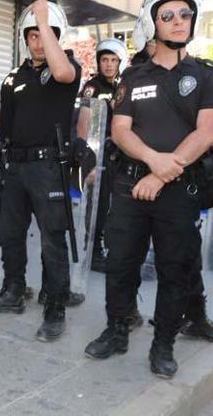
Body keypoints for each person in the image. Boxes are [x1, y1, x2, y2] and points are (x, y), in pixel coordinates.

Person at [84, 0, 213, 379]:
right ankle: (117, 329)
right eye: (168, 15)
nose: (179, 20)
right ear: (152, 24)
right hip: (128, 186)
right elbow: (120, 131)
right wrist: (152, 162)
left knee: (175, 267)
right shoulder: (133, 76)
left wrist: (161, 173)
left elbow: (208, 131)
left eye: (185, 13)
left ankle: (163, 345)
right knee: (121, 263)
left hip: (177, 189)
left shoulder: (207, 75)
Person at [0, 0, 82, 343]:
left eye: (45, 34)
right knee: (10, 232)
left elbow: (63, 72)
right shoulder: (12, 77)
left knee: (53, 238)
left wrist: (42, 15)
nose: (38, 40)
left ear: (57, 36)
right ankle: (13, 291)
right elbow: (5, 124)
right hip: (15, 167)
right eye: (33, 35)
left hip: (48, 165)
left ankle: (55, 307)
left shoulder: (67, 70)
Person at [79, 37, 127, 272]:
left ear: (120, 62)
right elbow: (84, 122)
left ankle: (114, 250)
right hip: (99, 152)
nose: (108, 64)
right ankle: (94, 252)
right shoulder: (92, 87)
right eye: (104, 60)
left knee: (119, 205)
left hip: (122, 154)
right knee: (97, 204)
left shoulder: (124, 86)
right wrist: (87, 159)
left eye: (113, 60)